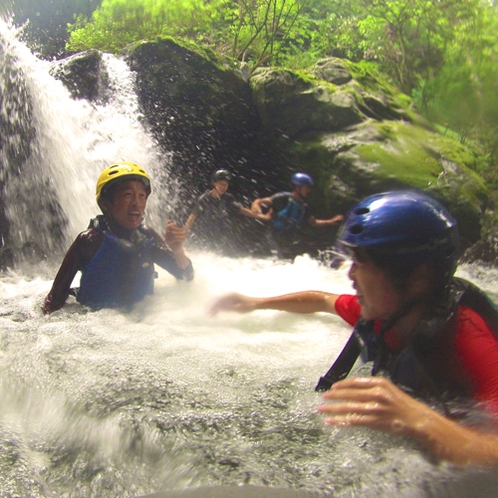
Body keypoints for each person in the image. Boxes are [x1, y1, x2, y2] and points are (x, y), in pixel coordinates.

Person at [209, 190, 498, 465]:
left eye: (361, 262)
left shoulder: (470, 342)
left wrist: (422, 421)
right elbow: (321, 300)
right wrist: (257, 302)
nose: (350, 274)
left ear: (418, 276)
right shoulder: (388, 309)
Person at [43, 162, 193, 313]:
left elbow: (186, 275)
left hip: (145, 323)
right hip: (96, 325)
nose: (137, 203)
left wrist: (178, 251)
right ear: (105, 203)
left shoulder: (147, 236)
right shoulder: (90, 241)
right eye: (128, 195)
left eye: (141, 196)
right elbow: (54, 301)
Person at [251, 172, 343, 259]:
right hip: (272, 238)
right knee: (278, 259)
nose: (309, 190)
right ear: (297, 187)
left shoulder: (304, 207)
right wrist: (255, 205)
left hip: (287, 241)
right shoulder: (283, 198)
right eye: (306, 187)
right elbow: (260, 201)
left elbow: (314, 222)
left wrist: (330, 221)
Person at [184, 169, 270, 255]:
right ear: (215, 183)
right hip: (205, 235)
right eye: (221, 184)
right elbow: (192, 216)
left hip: (221, 236)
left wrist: (260, 216)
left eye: (226, 184)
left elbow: (242, 210)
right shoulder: (205, 198)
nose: (223, 187)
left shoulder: (228, 198)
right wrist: (184, 233)